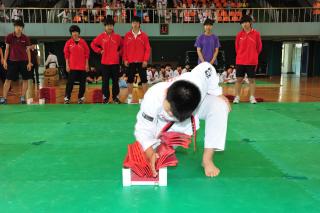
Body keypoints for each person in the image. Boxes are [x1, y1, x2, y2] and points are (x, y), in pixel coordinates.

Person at [134, 62, 230, 178]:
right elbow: (143, 129)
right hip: (163, 125)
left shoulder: (197, 81)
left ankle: (207, 159)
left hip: (190, 112)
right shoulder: (153, 97)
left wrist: (217, 92)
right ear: (166, 94)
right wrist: (150, 153)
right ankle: (169, 143)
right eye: (169, 110)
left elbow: (208, 67)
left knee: (219, 105)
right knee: (152, 154)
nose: (171, 114)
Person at [91, 16, 123, 104]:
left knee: (115, 81)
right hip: (105, 63)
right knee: (105, 82)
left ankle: (115, 97)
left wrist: (119, 53)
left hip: (115, 63)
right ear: (105, 26)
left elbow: (123, 47)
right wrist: (99, 50)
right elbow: (93, 44)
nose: (110, 27)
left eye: (111, 25)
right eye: (108, 25)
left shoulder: (117, 37)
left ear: (113, 26)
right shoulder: (101, 37)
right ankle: (105, 97)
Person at [0, 20, 32, 104]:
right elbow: (7, 49)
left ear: (22, 28)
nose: (19, 28)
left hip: (24, 62)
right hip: (12, 62)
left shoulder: (25, 38)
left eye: (20, 27)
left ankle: (22, 97)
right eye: (17, 26)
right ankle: (4, 98)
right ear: (14, 27)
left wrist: (29, 62)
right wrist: (5, 61)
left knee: (25, 80)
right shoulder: (9, 36)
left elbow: (28, 51)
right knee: (8, 80)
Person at [233, 15, 262, 104]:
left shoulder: (256, 34)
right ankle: (237, 97)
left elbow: (259, 47)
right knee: (239, 80)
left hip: (252, 62)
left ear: (250, 23)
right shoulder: (239, 35)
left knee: (252, 80)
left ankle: (252, 97)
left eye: (246, 22)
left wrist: (253, 55)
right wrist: (242, 56)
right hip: (240, 61)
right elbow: (237, 48)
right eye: (242, 23)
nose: (244, 24)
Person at [123, 16, 151, 103]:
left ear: (139, 24)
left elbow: (148, 49)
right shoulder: (127, 35)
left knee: (144, 80)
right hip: (130, 61)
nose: (135, 24)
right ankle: (130, 97)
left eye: (137, 23)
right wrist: (125, 59)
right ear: (131, 24)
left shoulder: (144, 36)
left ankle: (145, 98)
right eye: (133, 23)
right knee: (130, 80)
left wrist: (145, 60)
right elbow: (125, 49)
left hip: (141, 62)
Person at [63, 25, 90, 104]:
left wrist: (87, 65)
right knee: (70, 83)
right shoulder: (68, 43)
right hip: (72, 67)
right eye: (73, 32)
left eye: (76, 32)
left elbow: (87, 54)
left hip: (82, 67)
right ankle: (67, 97)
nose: (75, 33)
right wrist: (67, 65)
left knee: (82, 84)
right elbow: (66, 55)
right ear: (71, 33)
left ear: (78, 33)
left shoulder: (83, 42)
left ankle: (80, 98)